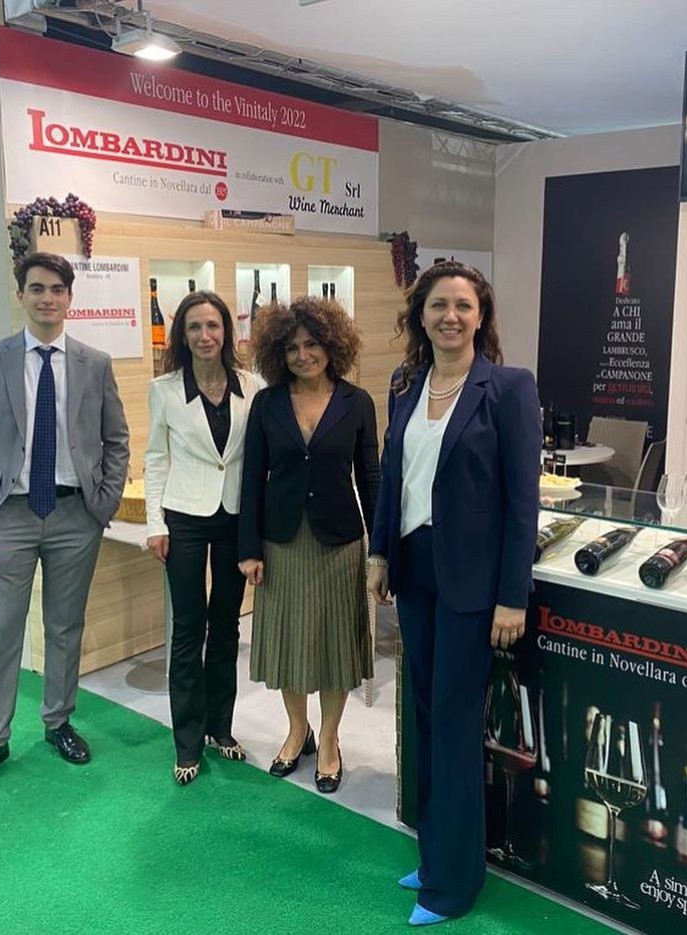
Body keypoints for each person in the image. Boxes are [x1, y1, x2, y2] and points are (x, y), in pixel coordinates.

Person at [367, 262, 541, 926]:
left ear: (480, 315)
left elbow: (521, 502)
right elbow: (392, 474)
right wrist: (380, 551)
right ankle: (435, 853)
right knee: (425, 717)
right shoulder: (406, 383)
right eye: (439, 305)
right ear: (421, 314)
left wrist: (512, 595)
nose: (451, 316)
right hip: (415, 571)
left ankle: (454, 885)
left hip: (474, 585)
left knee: (455, 723)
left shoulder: (508, 389)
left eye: (463, 306)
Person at [0, 251, 129, 792]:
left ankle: (58, 722)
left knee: (65, 626)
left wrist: (103, 503)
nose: (47, 298)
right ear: (22, 295)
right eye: (37, 288)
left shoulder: (94, 363)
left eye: (57, 289)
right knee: (1, 628)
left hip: (74, 516)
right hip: (8, 513)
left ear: (69, 298)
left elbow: (116, 439)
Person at [238, 296, 379, 794]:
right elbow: (252, 477)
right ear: (279, 353)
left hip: (339, 542)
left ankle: (330, 740)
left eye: (313, 343)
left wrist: (380, 551)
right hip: (280, 542)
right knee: (290, 644)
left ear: (332, 345)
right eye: (293, 347)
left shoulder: (356, 402)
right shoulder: (267, 403)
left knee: (335, 645)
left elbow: (371, 478)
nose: (303, 355)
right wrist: (248, 548)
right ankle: (298, 731)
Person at [144, 290, 263, 785]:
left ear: (226, 332)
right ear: (183, 334)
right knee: (189, 628)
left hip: (234, 517)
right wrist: (155, 523)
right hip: (185, 518)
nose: (205, 335)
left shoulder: (252, 386)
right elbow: (156, 457)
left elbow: (256, 460)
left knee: (227, 626)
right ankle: (188, 742)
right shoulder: (165, 389)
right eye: (194, 326)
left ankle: (221, 728)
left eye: (213, 325)